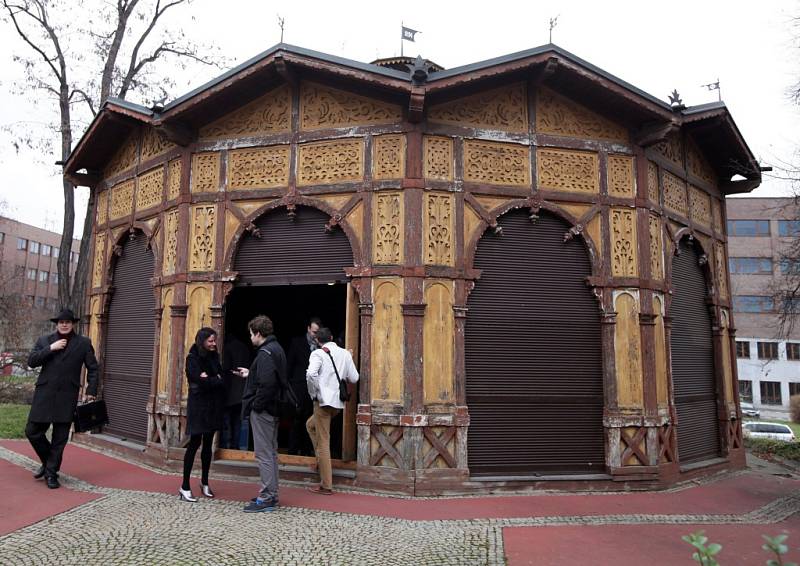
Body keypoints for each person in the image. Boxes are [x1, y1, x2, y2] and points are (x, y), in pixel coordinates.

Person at [25, 308, 99, 489]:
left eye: (68, 321)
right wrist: (51, 348)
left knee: (60, 438)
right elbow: (32, 361)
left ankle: (51, 474)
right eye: (61, 322)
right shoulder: (45, 341)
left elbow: (94, 368)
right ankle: (49, 461)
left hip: (67, 396)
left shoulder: (83, 343)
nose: (64, 324)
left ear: (73, 323)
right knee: (32, 431)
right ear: (57, 324)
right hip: (44, 395)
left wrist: (91, 390)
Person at [236, 315, 291, 512]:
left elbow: (268, 384)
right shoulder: (277, 349)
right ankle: (272, 494)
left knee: (264, 454)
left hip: (264, 410)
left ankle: (267, 496)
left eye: (251, 334)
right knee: (271, 453)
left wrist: (256, 406)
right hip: (274, 408)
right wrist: (250, 375)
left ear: (258, 333)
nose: (250, 338)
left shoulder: (265, 352)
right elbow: (271, 378)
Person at [305, 326, 359, 495]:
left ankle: (326, 484)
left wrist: (316, 393)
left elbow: (311, 374)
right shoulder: (345, 354)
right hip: (337, 404)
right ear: (332, 337)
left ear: (317, 340)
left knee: (323, 443)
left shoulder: (318, 354)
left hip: (322, 403)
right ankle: (321, 461)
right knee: (310, 425)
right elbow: (355, 378)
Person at [180, 327, 226, 502]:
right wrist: (212, 380)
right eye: (211, 341)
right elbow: (197, 380)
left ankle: (205, 482)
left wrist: (210, 379)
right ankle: (184, 486)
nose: (214, 344)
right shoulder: (192, 358)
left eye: (214, 341)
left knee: (208, 445)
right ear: (203, 341)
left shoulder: (215, 357)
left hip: (213, 406)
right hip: (198, 407)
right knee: (194, 444)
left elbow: (219, 378)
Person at [286, 317, 321, 456]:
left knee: (311, 421)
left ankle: (307, 451)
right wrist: (288, 387)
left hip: (314, 390)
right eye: (313, 332)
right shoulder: (297, 342)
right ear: (308, 329)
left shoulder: (321, 345)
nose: (315, 335)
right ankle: (292, 452)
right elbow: (289, 365)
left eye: (317, 332)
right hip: (298, 388)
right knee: (296, 421)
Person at [222, 333, 251, 449]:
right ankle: (236, 446)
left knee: (227, 421)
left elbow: (226, 368)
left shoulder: (227, 348)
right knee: (238, 421)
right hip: (242, 390)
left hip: (230, 391)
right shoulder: (245, 347)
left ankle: (226, 446)